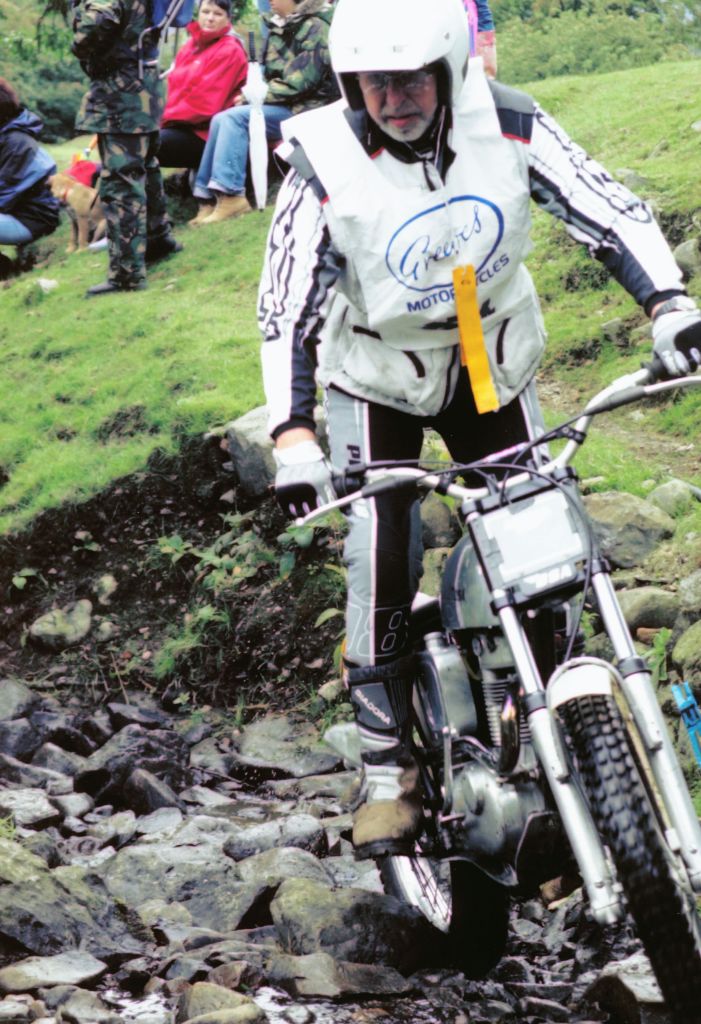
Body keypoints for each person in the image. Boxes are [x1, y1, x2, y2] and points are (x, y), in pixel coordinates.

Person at [259, 0, 701, 859]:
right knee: (380, 544)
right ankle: (387, 766)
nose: (393, 100)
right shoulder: (321, 158)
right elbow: (284, 308)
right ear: (350, 83)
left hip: (488, 358)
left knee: (539, 539)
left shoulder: (507, 121)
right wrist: (291, 435)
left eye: (410, 80)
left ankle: (559, 729)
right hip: (376, 374)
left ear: (449, 69)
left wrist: (668, 306)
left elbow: (606, 207)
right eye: (374, 83)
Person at [190, 0, 338, 225]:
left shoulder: (316, 27)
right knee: (221, 118)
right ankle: (207, 199)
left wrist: (256, 95)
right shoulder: (279, 26)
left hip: (308, 109)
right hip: (285, 105)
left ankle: (232, 195)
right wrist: (254, 90)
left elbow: (301, 82)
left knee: (234, 119)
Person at [71, 0, 182, 298]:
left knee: (121, 181)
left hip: (120, 93)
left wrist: (78, 43)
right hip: (144, 86)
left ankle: (126, 274)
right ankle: (158, 239)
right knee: (146, 166)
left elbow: (95, 25)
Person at [159, 0, 248, 172]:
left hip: (207, 136)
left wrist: (163, 119)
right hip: (180, 126)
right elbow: (173, 91)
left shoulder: (230, 50)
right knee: (133, 140)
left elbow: (204, 107)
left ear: (228, 18)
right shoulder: (191, 46)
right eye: (206, 12)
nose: (210, 18)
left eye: (218, 14)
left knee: (142, 144)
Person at [0, 78, 60, 246]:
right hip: (11, 214)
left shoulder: (17, 143)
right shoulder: (6, 136)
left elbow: (3, 196)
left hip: (30, 220)